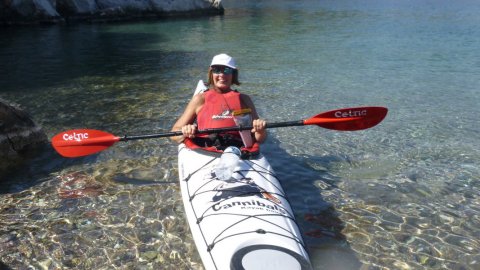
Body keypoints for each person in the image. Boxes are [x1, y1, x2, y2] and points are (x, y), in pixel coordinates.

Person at [171, 54, 267, 148]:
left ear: (233, 74)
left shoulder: (245, 99)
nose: (221, 75)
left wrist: (260, 130)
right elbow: (174, 133)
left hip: (237, 149)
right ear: (211, 73)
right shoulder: (199, 99)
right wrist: (186, 131)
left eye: (227, 70)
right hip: (205, 147)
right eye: (217, 70)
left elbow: (260, 138)